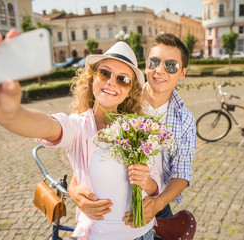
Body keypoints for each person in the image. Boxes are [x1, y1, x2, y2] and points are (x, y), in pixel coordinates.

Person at [0, 29, 160, 240]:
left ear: (130, 90)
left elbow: (155, 183)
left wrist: (147, 181)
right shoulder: (79, 126)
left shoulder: (140, 127)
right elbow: (49, 127)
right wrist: (11, 115)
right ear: (92, 77)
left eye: (123, 79)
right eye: (105, 73)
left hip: (144, 233)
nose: (112, 82)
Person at [69, 33, 197, 234]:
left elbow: (181, 173)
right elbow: (87, 142)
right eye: (154, 62)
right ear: (146, 65)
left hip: (158, 203)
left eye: (171, 66)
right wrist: (74, 187)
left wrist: (157, 204)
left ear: (182, 73)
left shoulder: (185, 120)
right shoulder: (121, 95)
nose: (160, 70)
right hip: (112, 207)